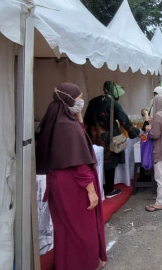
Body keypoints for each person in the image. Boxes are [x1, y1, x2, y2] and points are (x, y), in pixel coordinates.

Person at [36, 83, 107, 270]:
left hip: (59, 183)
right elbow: (80, 164)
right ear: (69, 100)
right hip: (74, 185)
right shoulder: (69, 128)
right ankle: (86, 264)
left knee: (65, 229)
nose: (81, 101)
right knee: (83, 229)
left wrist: (78, 116)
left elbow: (78, 136)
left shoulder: (56, 122)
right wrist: (91, 191)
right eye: (78, 98)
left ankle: (67, 264)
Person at [84, 81, 141, 198]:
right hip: (108, 139)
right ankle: (109, 190)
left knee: (97, 163)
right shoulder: (112, 103)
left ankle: (97, 187)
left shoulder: (93, 101)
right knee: (109, 163)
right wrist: (134, 132)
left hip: (93, 138)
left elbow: (86, 120)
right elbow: (124, 119)